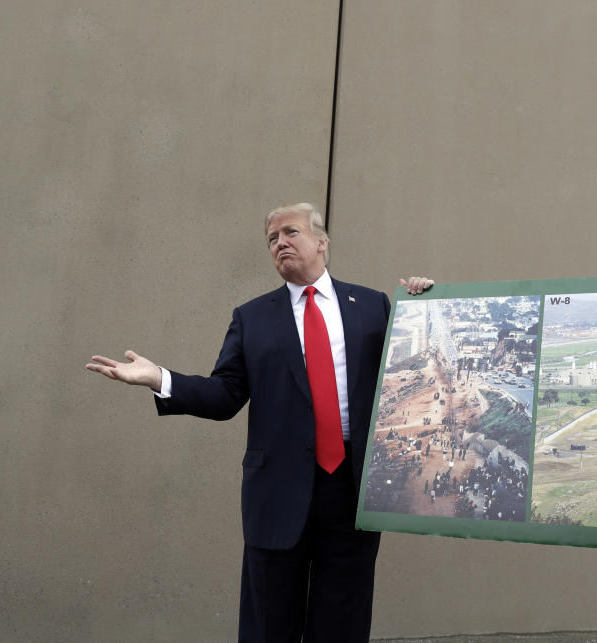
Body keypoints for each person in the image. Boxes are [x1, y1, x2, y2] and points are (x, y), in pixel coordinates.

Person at [87, 202, 433, 642]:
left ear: (322, 243)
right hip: (277, 493)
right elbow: (225, 394)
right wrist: (161, 378)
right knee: (269, 624)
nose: (280, 243)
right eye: (272, 239)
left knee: (343, 623)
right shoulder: (251, 317)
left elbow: (417, 368)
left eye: (291, 232)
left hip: (352, 491)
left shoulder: (371, 305)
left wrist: (425, 303)